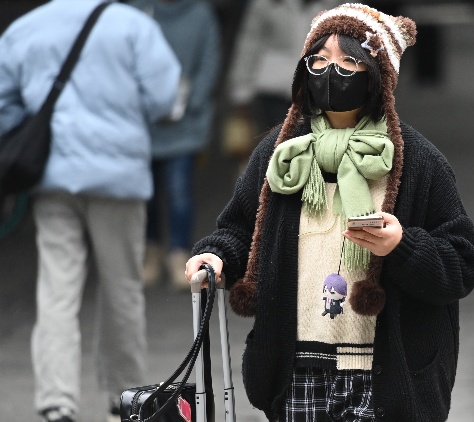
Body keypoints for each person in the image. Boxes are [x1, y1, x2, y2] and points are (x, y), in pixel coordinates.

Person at [185, 3, 474, 421]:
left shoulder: (418, 162)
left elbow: (460, 267)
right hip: (296, 370)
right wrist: (215, 256)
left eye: (348, 62)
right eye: (319, 60)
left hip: (387, 378)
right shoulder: (281, 155)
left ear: (377, 76)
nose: (330, 71)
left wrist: (401, 245)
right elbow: (240, 230)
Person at [0, 2, 181, 422]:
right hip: (119, 176)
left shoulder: (25, 28)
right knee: (122, 286)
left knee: (57, 288)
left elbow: (4, 105)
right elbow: (163, 98)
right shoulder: (133, 25)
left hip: (52, 176)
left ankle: (56, 401)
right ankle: (124, 397)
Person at [128, 0, 222, 289]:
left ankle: (178, 253)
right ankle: (151, 251)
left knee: (179, 189)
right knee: (146, 193)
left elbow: (210, 59)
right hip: (144, 121)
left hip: (185, 122)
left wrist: (191, 102)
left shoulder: (200, 14)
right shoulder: (136, 10)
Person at [222, 0, 340, 174]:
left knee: (317, 157)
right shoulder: (266, 4)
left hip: (321, 91)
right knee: (277, 154)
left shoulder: (341, 5)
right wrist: (241, 91)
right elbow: (249, 43)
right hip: (273, 91)